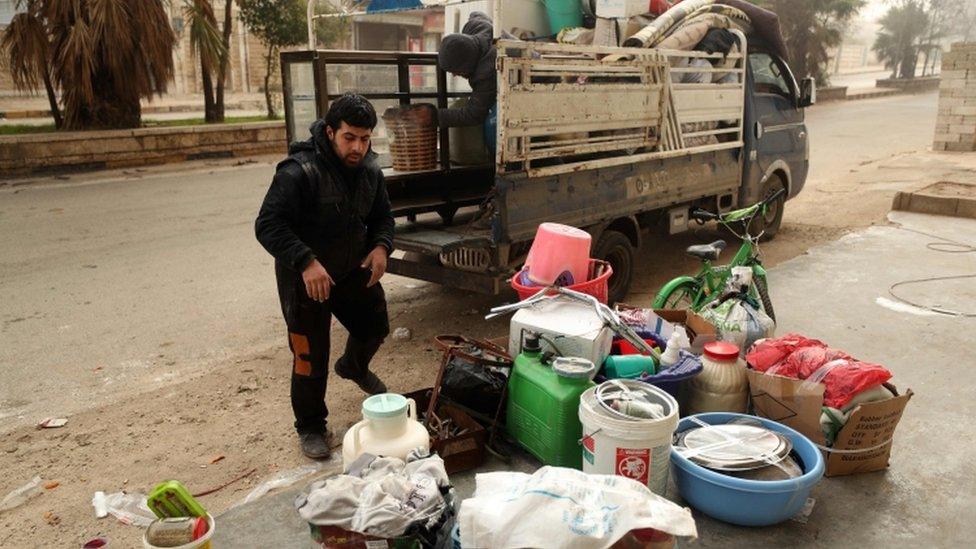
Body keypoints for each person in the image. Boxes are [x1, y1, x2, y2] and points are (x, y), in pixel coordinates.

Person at [255, 93, 394, 459]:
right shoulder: (299, 171)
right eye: (350, 137)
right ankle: (311, 426)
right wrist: (305, 261)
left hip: (351, 271)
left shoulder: (370, 172)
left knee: (375, 327)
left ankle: (354, 366)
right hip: (306, 278)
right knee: (309, 357)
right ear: (331, 132)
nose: (358, 147)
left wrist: (381, 247)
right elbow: (268, 225)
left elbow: (383, 218)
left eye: (365, 139)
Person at [436, 11, 497, 128]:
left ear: (467, 64)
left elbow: (474, 115)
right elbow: (476, 14)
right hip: (537, 62)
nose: (454, 75)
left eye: (456, 70)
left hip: (535, 87)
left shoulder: (486, 74)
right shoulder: (478, 27)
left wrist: (434, 116)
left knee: (492, 127)